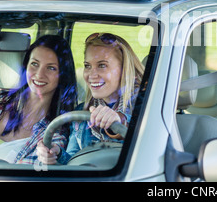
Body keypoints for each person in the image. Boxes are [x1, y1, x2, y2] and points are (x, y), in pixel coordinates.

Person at [0, 35, 78, 164]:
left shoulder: (55, 134)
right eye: (35, 64)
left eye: (51, 68)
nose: (39, 74)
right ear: (26, 66)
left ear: (63, 75)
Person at [37, 33, 144, 165]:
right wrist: (56, 153)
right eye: (87, 66)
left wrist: (119, 120)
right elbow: (73, 159)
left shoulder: (146, 104)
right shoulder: (81, 112)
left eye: (102, 65)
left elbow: (151, 150)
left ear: (124, 69)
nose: (91, 75)